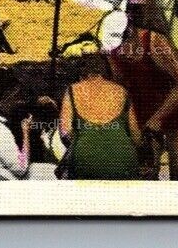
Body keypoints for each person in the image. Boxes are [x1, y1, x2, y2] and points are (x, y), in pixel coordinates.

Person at [108, 0, 178, 180]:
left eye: (140, 9)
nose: (135, 14)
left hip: (174, 106)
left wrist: (156, 119)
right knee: (146, 172)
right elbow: (120, 89)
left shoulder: (154, 40)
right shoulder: (113, 49)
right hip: (144, 110)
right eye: (133, 9)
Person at [57, 52, 139, 180]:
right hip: (123, 160)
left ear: (81, 74)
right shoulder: (121, 91)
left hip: (85, 161)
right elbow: (136, 136)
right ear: (106, 73)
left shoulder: (73, 90)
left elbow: (65, 132)